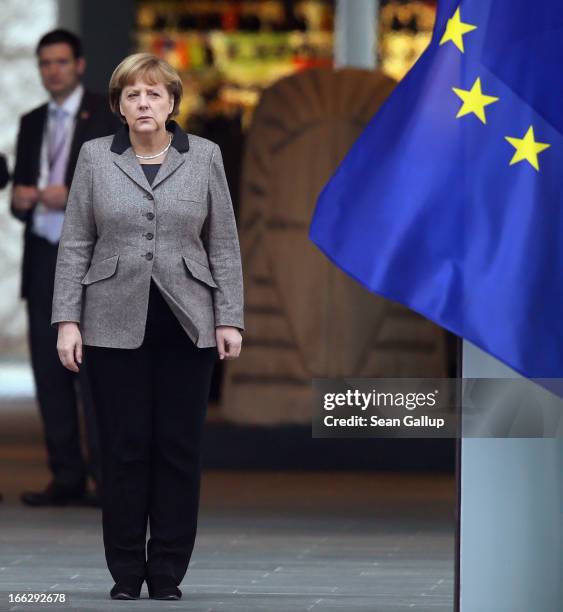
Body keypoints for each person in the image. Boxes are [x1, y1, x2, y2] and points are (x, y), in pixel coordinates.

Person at [51, 53, 244, 601]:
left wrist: (230, 317)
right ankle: (125, 570)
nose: (144, 103)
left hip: (188, 321)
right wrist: (68, 320)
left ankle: (167, 570)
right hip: (111, 319)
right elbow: (76, 243)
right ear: (118, 104)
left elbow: (223, 242)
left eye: (154, 94)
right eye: (133, 94)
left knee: (178, 447)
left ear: (172, 103)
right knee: (124, 446)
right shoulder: (94, 157)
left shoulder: (205, 156)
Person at [10, 29, 120, 507]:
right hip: (40, 254)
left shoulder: (105, 116)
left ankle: (105, 477)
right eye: (44, 63)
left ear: (78, 65)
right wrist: (20, 200)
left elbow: (119, 185)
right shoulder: (31, 121)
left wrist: (69, 192)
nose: (52, 70)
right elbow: (21, 194)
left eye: (60, 62)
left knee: (94, 372)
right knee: (48, 372)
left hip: (91, 259)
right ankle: (65, 476)